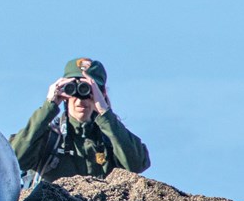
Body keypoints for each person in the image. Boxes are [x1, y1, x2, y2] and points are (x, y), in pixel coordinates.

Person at [10, 58, 150, 187]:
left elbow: (136, 165)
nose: (80, 99)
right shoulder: (49, 139)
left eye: (87, 91)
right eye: (73, 90)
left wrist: (105, 113)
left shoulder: (112, 139)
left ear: (102, 94)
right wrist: (49, 106)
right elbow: (13, 160)